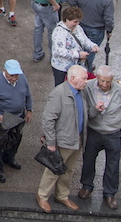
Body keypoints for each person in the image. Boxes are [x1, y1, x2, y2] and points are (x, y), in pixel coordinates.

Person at [37, 65, 90, 213]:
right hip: (62, 141)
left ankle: (62, 195)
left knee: (69, 170)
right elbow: (48, 119)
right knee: (53, 170)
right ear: (72, 78)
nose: (86, 81)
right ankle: (42, 196)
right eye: (84, 78)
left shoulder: (82, 92)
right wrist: (51, 142)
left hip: (77, 140)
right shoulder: (58, 93)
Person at [78, 65, 121, 210]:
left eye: (108, 82)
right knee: (88, 159)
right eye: (102, 81)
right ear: (97, 78)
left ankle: (110, 193)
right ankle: (87, 186)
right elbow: (84, 110)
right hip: (94, 130)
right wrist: (95, 110)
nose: (105, 84)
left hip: (113, 132)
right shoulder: (88, 87)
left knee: (113, 164)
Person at [0, 59, 33, 183]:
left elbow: (28, 94)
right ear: (4, 71)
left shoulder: (22, 78)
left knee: (16, 138)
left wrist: (29, 110)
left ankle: (9, 158)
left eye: (16, 75)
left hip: (19, 115)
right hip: (3, 117)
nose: (14, 78)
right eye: (11, 75)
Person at [68, 0, 115, 73]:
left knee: (77, 49)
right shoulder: (107, 0)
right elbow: (108, 19)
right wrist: (109, 31)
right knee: (90, 53)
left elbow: (72, 1)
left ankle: (74, 70)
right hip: (96, 30)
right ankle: (85, 73)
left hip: (80, 26)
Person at [50, 6, 99, 86]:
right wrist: (78, 55)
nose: (77, 24)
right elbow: (59, 51)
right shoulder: (59, 32)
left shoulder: (78, 28)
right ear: (66, 19)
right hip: (62, 68)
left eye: (78, 21)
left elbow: (85, 40)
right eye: (75, 21)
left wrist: (93, 46)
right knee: (63, 88)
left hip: (76, 66)